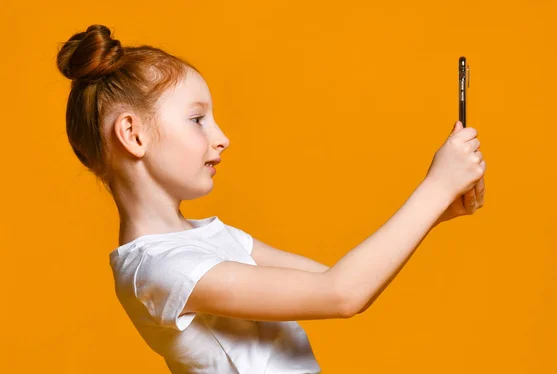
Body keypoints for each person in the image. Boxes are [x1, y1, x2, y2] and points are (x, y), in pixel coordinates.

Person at [56, 24, 486, 374]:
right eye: (197, 119)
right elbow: (341, 294)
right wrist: (434, 188)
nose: (221, 138)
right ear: (133, 135)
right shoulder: (159, 269)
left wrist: (436, 211)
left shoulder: (212, 238)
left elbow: (344, 279)